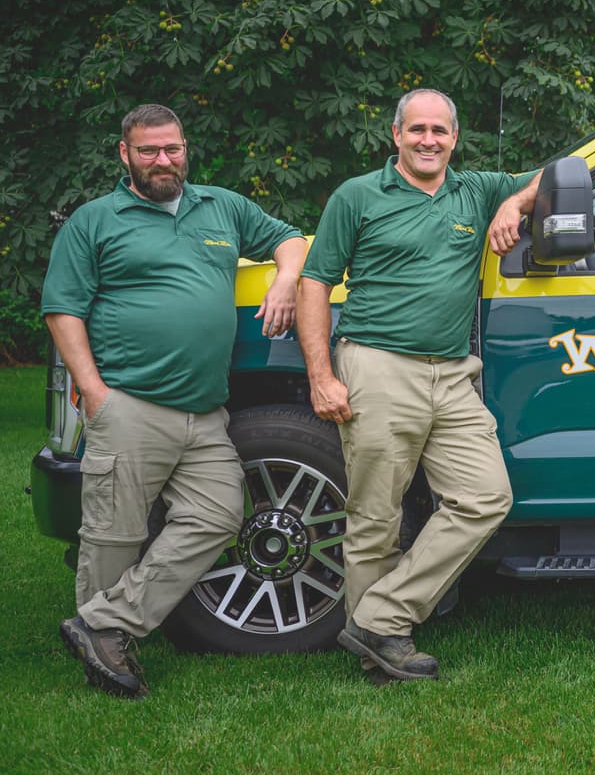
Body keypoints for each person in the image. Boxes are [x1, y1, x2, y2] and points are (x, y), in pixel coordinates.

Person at [42, 104, 306, 698]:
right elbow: (63, 308)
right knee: (114, 535)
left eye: (173, 149)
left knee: (217, 517)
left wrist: (285, 278)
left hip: (206, 411)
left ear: (186, 148)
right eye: (149, 151)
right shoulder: (96, 220)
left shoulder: (222, 207)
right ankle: (107, 657)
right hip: (130, 404)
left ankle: (103, 625)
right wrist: (94, 392)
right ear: (125, 154)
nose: (163, 160)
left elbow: (289, 239)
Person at [297, 87, 540, 683]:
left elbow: (570, 171)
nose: (428, 140)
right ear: (396, 135)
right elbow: (315, 283)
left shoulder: (477, 190)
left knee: (486, 497)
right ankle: (383, 646)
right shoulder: (357, 196)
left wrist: (514, 206)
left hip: (454, 373)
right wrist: (321, 375)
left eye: (440, 131)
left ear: (455, 138)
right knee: (375, 515)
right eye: (417, 130)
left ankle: (378, 616)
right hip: (377, 363)